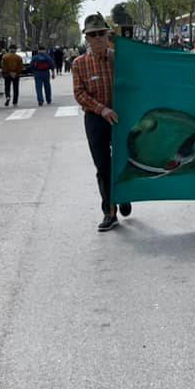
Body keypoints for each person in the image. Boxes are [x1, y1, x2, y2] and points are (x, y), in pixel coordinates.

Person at [73, 13, 130, 232]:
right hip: (96, 119)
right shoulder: (79, 64)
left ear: (108, 36)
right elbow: (79, 93)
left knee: (123, 160)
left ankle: (124, 195)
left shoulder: (120, 59)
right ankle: (109, 211)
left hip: (121, 117)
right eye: (92, 35)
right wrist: (101, 109)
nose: (97, 38)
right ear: (86, 38)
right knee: (103, 166)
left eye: (101, 33)